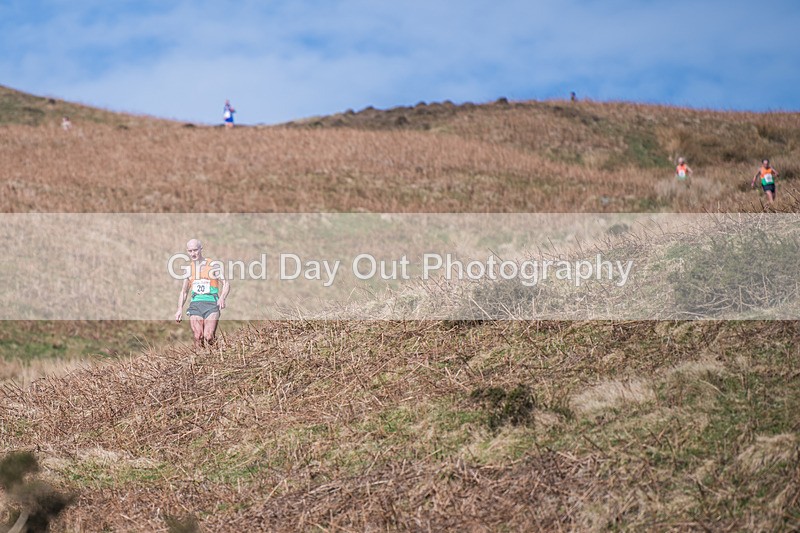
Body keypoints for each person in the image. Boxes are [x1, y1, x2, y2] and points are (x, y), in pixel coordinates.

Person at [175, 239, 230, 349]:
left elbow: (226, 283)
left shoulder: (213, 265)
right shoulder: (188, 270)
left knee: (208, 336)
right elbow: (184, 291)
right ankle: (200, 362)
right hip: (196, 305)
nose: (193, 253)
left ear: (201, 249)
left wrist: (222, 297)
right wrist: (179, 308)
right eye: (190, 251)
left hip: (212, 304)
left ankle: (216, 354)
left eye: (195, 250)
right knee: (198, 336)